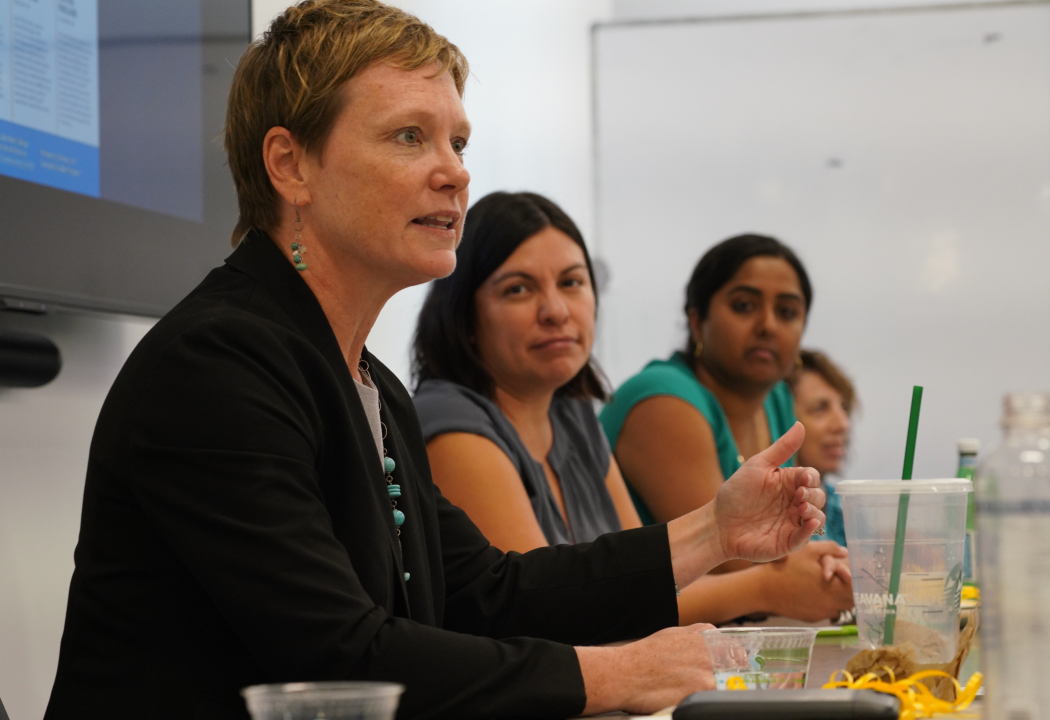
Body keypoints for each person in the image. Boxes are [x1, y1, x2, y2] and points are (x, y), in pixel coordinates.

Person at [44, 4, 829, 719]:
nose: (454, 170)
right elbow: (342, 657)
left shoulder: (369, 382)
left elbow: (484, 594)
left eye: (458, 140)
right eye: (408, 136)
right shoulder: (216, 363)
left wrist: (714, 531)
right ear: (291, 166)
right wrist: (616, 675)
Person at [413, 192, 853, 625]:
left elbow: (641, 581)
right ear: (464, 315)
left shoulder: (572, 413)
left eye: (571, 282)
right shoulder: (454, 429)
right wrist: (765, 586)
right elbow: (543, 614)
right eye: (518, 289)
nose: (556, 311)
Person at [599, 235, 853, 611]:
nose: (767, 325)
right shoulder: (663, 399)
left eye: (787, 312)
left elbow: (787, 541)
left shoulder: (777, 399)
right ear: (697, 320)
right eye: (744, 306)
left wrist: (827, 563)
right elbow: (734, 561)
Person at [789, 349, 858, 547]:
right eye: (820, 408)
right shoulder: (761, 519)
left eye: (844, 408)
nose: (843, 424)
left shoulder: (845, 511)